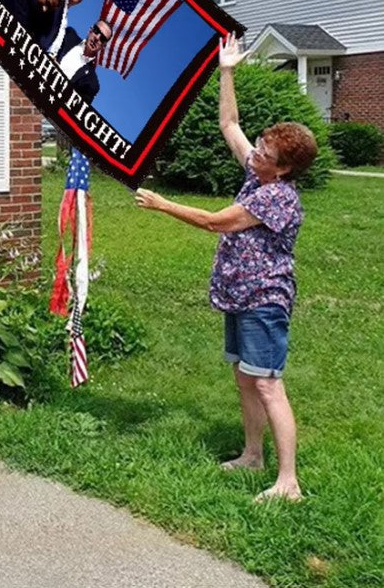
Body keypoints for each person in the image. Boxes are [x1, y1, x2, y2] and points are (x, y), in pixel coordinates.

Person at [134, 33, 318, 502]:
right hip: (239, 296)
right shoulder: (257, 171)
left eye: (265, 154)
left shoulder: (275, 196)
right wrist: (227, 70)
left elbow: (217, 222)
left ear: (283, 170)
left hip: (263, 301)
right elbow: (230, 123)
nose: (254, 152)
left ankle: (289, 481)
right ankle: (252, 455)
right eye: (258, 147)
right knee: (244, 376)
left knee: (268, 384)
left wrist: (160, 204)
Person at [56, 19, 112, 103]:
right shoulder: (69, 35)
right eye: (96, 31)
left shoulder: (92, 84)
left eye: (102, 38)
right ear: (90, 30)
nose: (97, 37)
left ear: (103, 46)